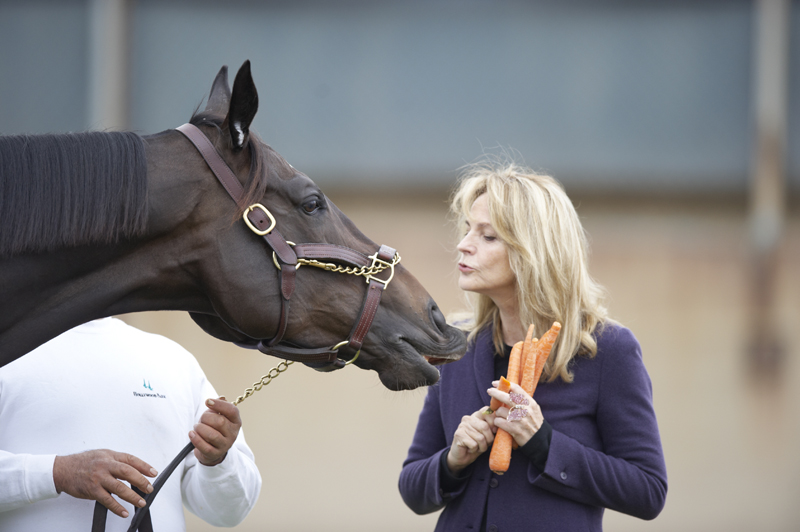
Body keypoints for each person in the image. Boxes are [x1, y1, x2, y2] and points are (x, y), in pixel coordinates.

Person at [398, 160, 667, 531]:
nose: (463, 245)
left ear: (533, 252)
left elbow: (648, 491)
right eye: (467, 230)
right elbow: (412, 488)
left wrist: (544, 443)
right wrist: (452, 460)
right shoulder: (455, 348)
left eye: (487, 236)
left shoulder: (609, 350)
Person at [0, 317, 262, 531]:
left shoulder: (173, 359)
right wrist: (57, 472)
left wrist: (217, 461)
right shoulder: (9, 349)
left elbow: (229, 512)